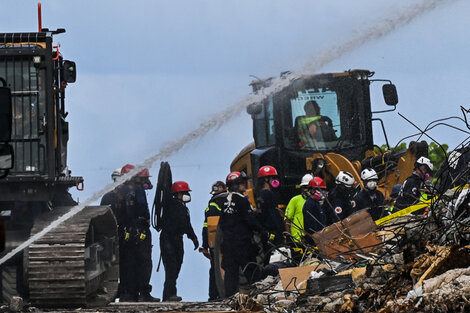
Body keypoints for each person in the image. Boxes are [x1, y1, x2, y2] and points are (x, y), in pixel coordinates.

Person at [219, 171, 265, 297]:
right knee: (251, 269)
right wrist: (261, 230)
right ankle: (257, 295)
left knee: (231, 273)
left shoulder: (224, 202)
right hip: (242, 243)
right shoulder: (242, 201)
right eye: (242, 183)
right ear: (235, 185)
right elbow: (250, 220)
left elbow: (221, 224)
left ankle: (229, 299)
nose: (245, 185)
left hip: (228, 244)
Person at [160, 181, 199, 302]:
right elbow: (184, 223)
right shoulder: (172, 205)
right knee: (171, 267)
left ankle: (169, 294)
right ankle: (169, 294)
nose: (187, 195)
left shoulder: (182, 207)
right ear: (178, 194)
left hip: (177, 239)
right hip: (169, 239)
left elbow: (186, 224)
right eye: (185, 193)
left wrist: (193, 237)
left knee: (176, 266)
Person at [201, 181, 227, 301]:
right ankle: (214, 295)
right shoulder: (212, 207)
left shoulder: (225, 204)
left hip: (224, 241)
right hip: (216, 243)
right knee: (215, 268)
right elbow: (206, 227)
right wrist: (205, 246)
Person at [255, 165, 285, 247]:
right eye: (273, 178)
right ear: (266, 179)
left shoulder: (259, 194)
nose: (275, 181)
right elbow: (273, 214)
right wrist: (281, 229)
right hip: (273, 232)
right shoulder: (268, 194)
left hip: (266, 232)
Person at [284, 174, 314, 242]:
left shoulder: (315, 203)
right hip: (297, 239)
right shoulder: (295, 200)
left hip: (312, 239)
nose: (307, 190)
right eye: (305, 187)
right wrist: (289, 236)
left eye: (309, 187)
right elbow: (287, 219)